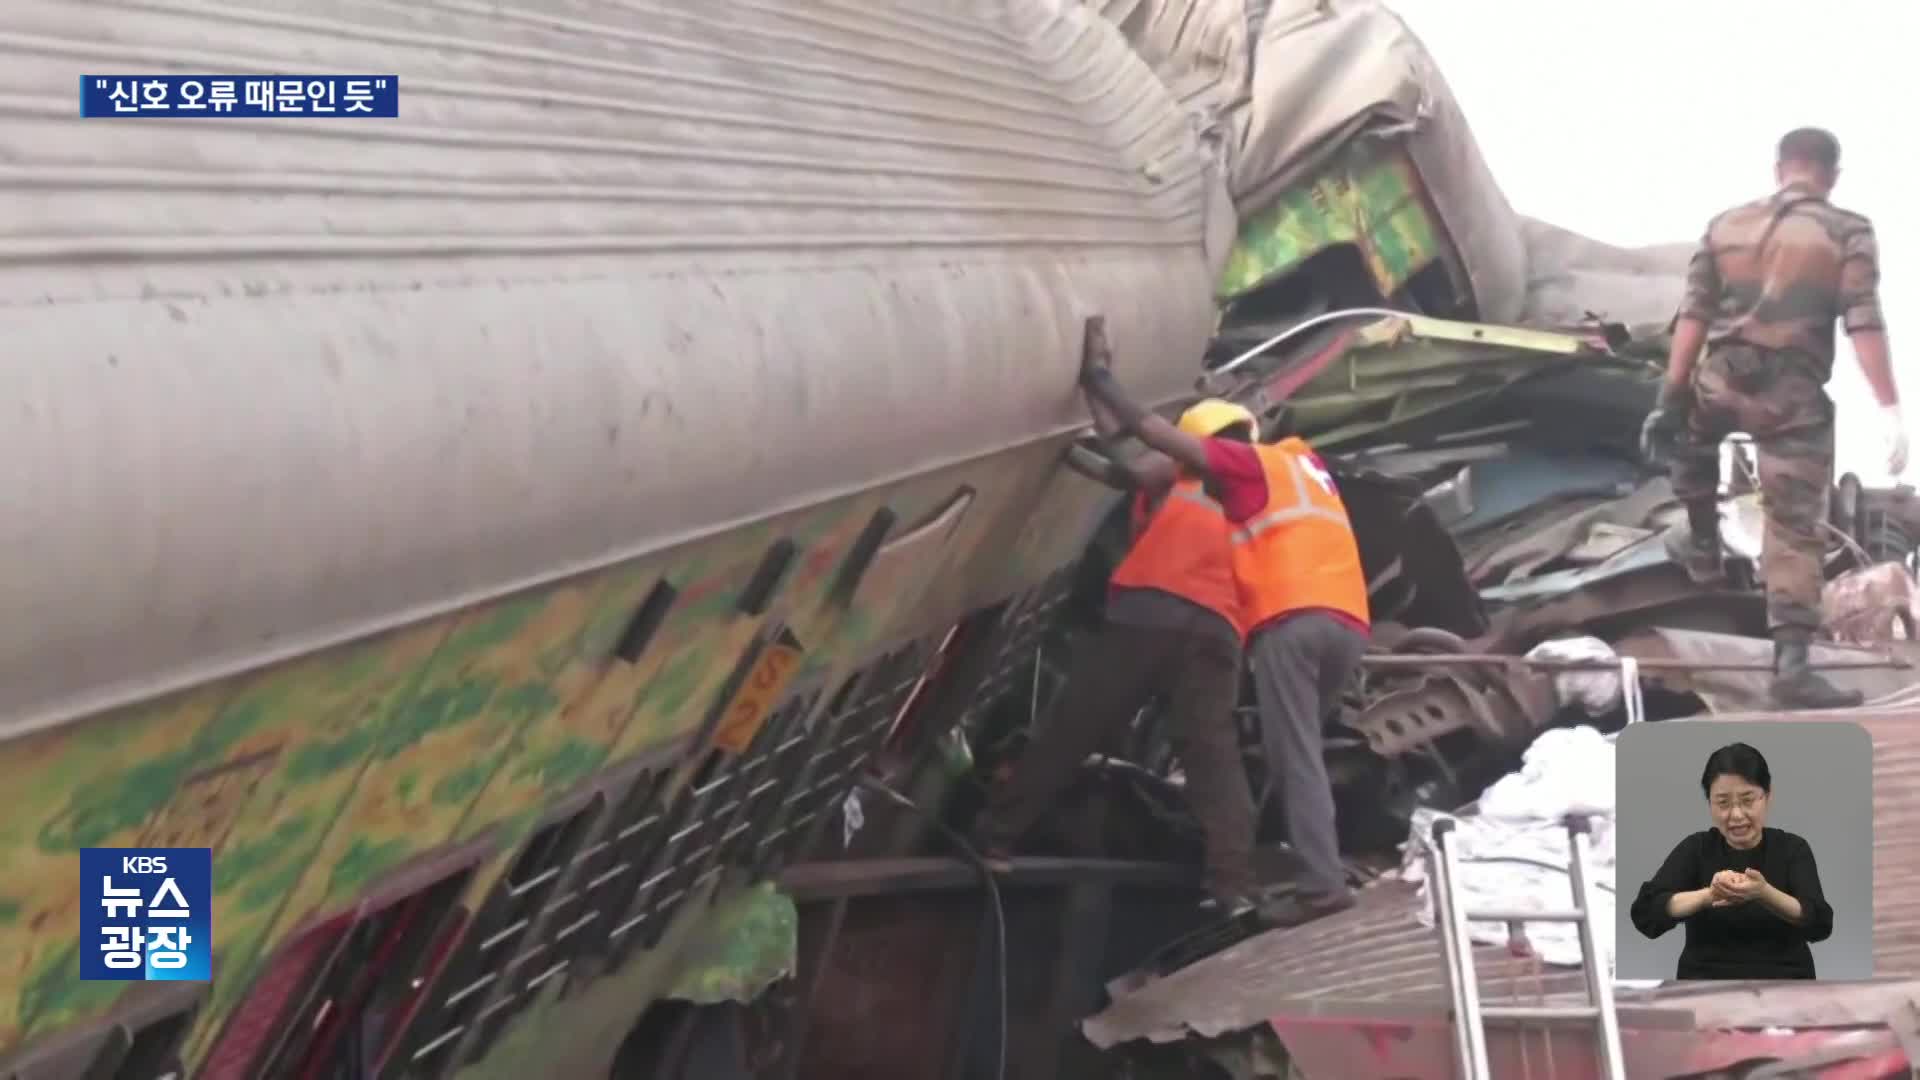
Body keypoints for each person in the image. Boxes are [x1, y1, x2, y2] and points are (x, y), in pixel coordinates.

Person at [1079, 317, 1368, 929]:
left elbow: (1155, 436)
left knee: (1295, 759)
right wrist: (1098, 437)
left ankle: (1322, 885)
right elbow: (1136, 466)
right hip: (1347, 623)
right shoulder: (1303, 467)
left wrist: (1103, 379)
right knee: (1299, 753)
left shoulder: (1244, 465)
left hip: (1293, 624)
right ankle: (1302, 865)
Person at [976, 320, 1260, 913]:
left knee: (1074, 724)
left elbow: (1129, 451)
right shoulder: (1251, 489)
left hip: (1148, 612)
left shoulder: (1182, 478)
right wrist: (1088, 422)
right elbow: (1120, 459)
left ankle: (996, 841)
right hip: (1217, 632)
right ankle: (1232, 885)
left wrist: (1099, 376)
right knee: (1213, 757)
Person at [1641, 126, 1905, 711]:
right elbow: (1863, 320)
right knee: (1792, 527)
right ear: (1831, 175)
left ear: (1779, 167)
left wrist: (1670, 398)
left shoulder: (1724, 226)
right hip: (1791, 395)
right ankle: (1791, 667)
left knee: (1691, 438)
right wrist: (1889, 407)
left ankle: (1703, 541)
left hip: (1722, 377)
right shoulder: (1846, 231)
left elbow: (1693, 316)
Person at [1628, 742, 1833, 980]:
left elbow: (1819, 922)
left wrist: (1763, 892)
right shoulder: (1697, 848)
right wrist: (1710, 895)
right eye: (1723, 803)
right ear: (1710, 803)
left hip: (1785, 982)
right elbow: (1646, 912)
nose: (1736, 815)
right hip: (1705, 983)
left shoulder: (1792, 848)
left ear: (1767, 796)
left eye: (1748, 800)